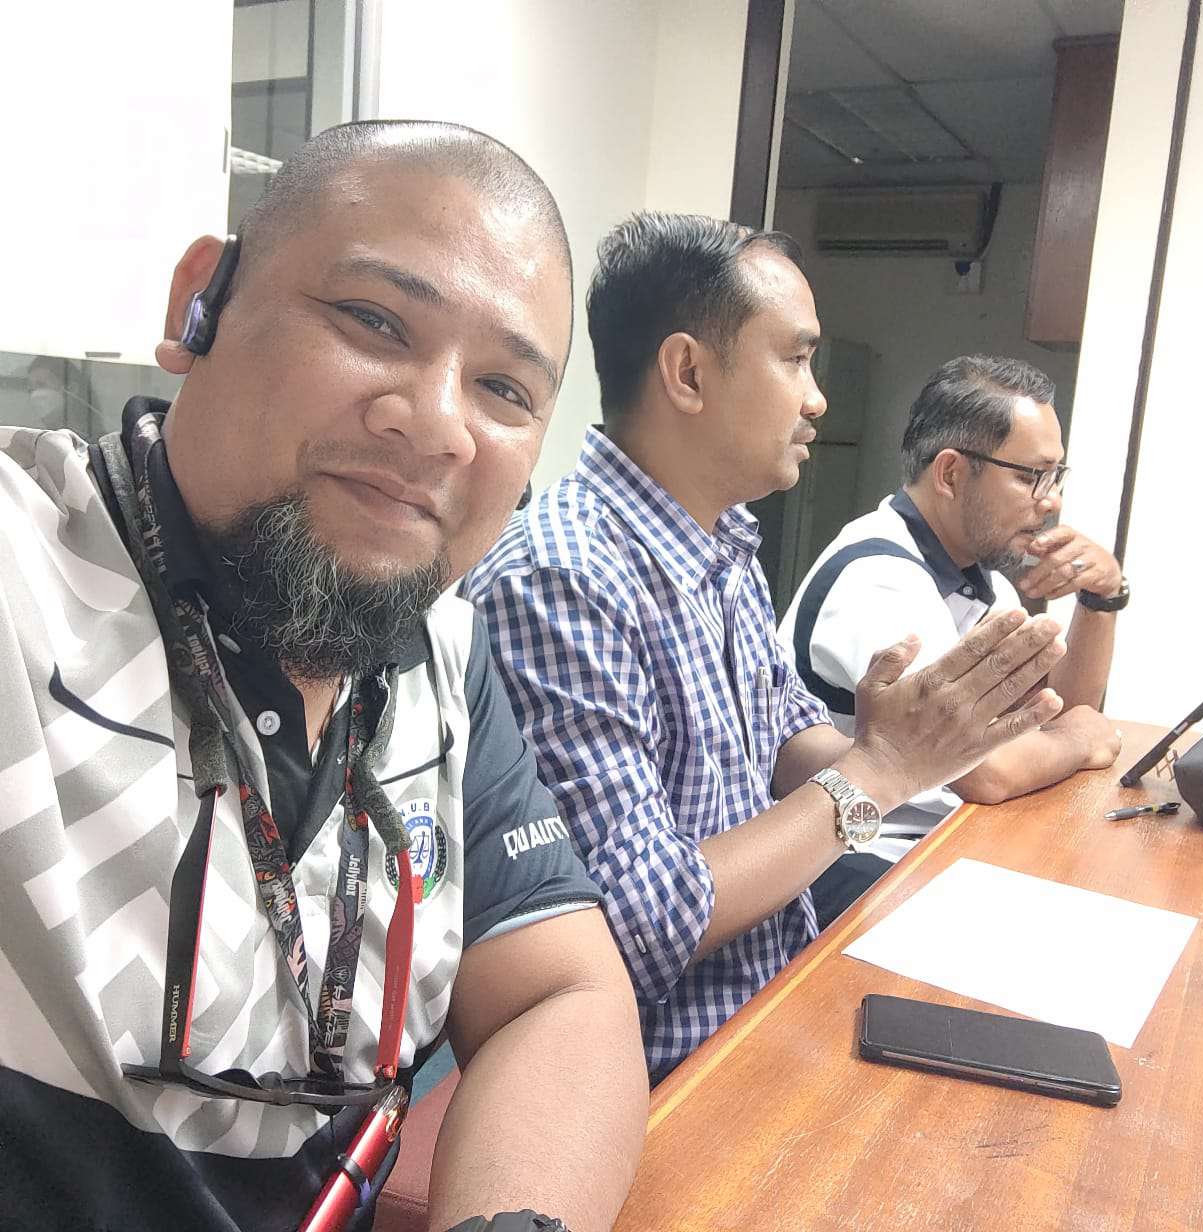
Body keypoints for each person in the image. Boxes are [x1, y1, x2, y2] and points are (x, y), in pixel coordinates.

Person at [0, 121, 647, 1232]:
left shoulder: (443, 659)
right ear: (199, 303)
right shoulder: (27, 575)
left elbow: (561, 991)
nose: (435, 424)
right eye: (373, 320)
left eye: (503, 388)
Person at [462, 213, 1068, 1083]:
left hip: (773, 994)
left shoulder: (723, 543)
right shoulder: (561, 578)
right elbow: (641, 924)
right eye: (794, 359)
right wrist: (879, 772)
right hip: (667, 1069)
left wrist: (903, 744)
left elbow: (784, 736)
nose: (817, 398)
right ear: (688, 373)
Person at [779, 355, 1124, 859]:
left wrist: (1102, 597)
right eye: (1031, 476)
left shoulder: (981, 580)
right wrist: (1079, 740)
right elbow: (983, 771)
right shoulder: (879, 579)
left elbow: (1059, 713)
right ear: (950, 473)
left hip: (933, 839)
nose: (1051, 501)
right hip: (856, 857)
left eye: (1056, 476)